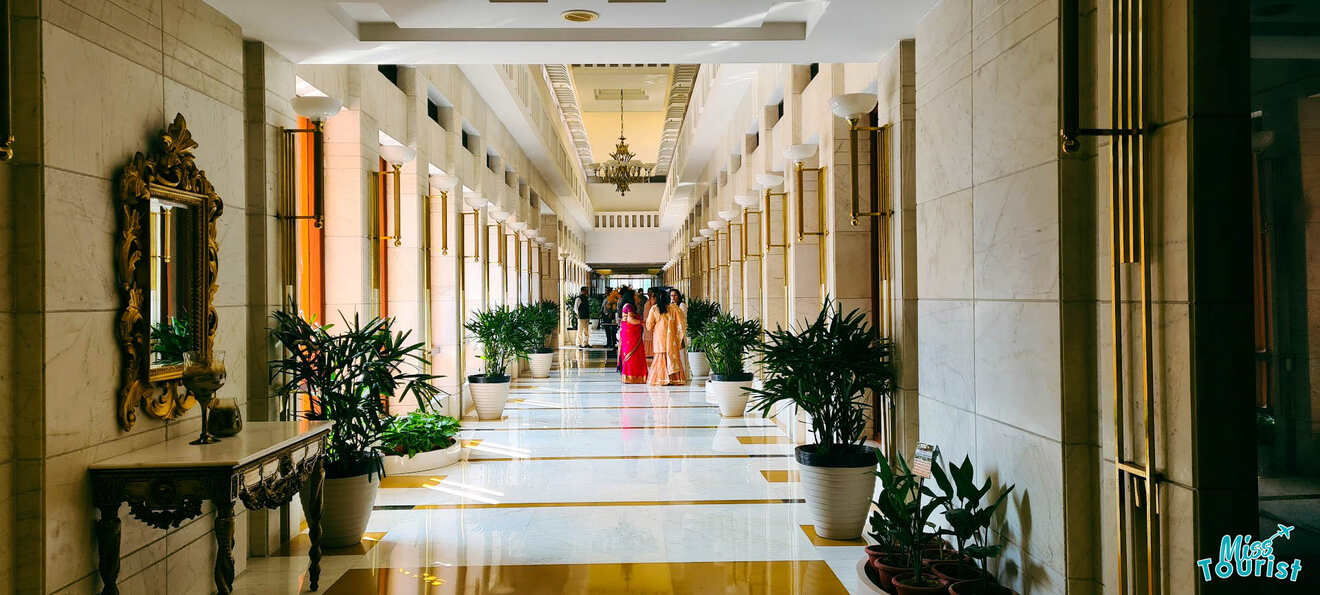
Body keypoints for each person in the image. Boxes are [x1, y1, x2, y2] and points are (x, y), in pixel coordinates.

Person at [646, 290, 688, 386]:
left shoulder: (654, 309)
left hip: (659, 336)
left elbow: (649, 325)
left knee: (661, 356)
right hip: (671, 338)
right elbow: (681, 323)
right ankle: (674, 379)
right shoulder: (674, 308)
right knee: (672, 355)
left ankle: (662, 379)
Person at [618, 302, 647, 383]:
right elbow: (630, 320)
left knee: (629, 353)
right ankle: (633, 376)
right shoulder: (629, 306)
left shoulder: (626, 305)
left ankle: (629, 377)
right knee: (634, 355)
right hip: (631, 334)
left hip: (627, 332)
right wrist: (643, 322)